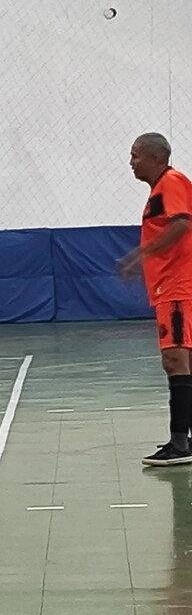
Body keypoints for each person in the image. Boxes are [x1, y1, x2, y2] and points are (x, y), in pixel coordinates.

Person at [121, 132, 192, 466]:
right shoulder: (160, 191)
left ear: (155, 158)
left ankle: (180, 443)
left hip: (177, 288)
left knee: (175, 360)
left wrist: (141, 253)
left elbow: (181, 224)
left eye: (136, 155)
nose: (131, 162)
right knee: (182, 361)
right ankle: (182, 437)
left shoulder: (172, 182)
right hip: (170, 288)